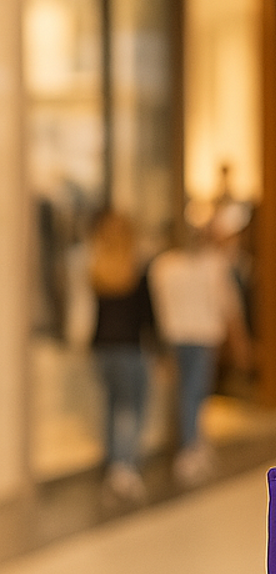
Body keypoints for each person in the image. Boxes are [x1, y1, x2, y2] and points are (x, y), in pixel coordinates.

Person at [147, 228, 248, 485]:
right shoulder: (212, 265)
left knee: (188, 392)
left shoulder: (164, 266)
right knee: (194, 392)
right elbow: (228, 304)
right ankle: (190, 448)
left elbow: (159, 305)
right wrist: (239, 340)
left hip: (177, 335)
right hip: (201, 336)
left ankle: (193, 443)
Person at [88, 210, 154, 502]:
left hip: (103, 348)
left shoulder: (97, 267)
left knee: (112, 406)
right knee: (132, 408)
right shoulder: (136, 268)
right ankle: (125, 466)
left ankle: (113, 462)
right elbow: (146, 316)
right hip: (129, 346)